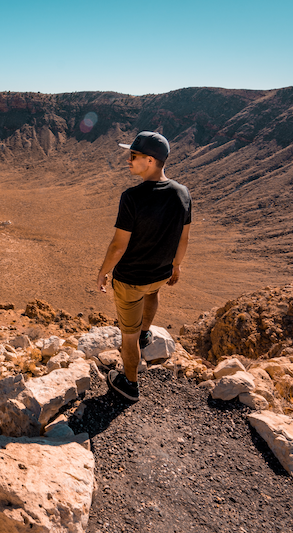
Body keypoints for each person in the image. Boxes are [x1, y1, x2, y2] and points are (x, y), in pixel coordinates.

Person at [96, 131, 191, 401]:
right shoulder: (182, 193)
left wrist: (103, 272)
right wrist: (176, 266)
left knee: (128, 336)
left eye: (134, 156)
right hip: (161, 273)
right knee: (152, 293)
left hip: (130, 278)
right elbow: (184, 237)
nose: (128, 160)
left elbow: (118, 245)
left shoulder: (132, 197)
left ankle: (130, 384)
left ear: (149, 160)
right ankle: (146, 334)